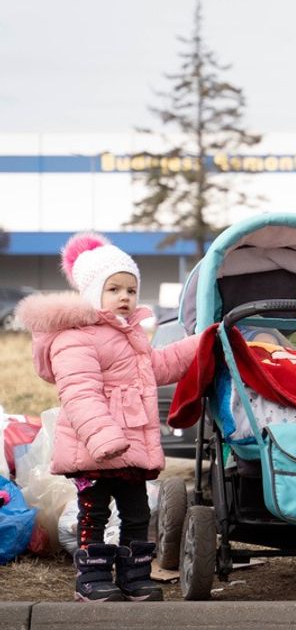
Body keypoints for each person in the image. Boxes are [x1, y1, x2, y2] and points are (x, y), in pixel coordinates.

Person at [15, 233, 201, 602]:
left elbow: (157, 366)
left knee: (136, 513)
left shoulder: (129, 336)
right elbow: (79, 393)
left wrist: (201, 343)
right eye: (114, 288)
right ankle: (92, 576)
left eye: (131, 290)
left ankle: (134, 575)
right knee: (94, 513)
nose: (125, 297)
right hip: (95, 449)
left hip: (131, 446)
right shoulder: (75, 339)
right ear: (91, 293)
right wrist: (102, 437)